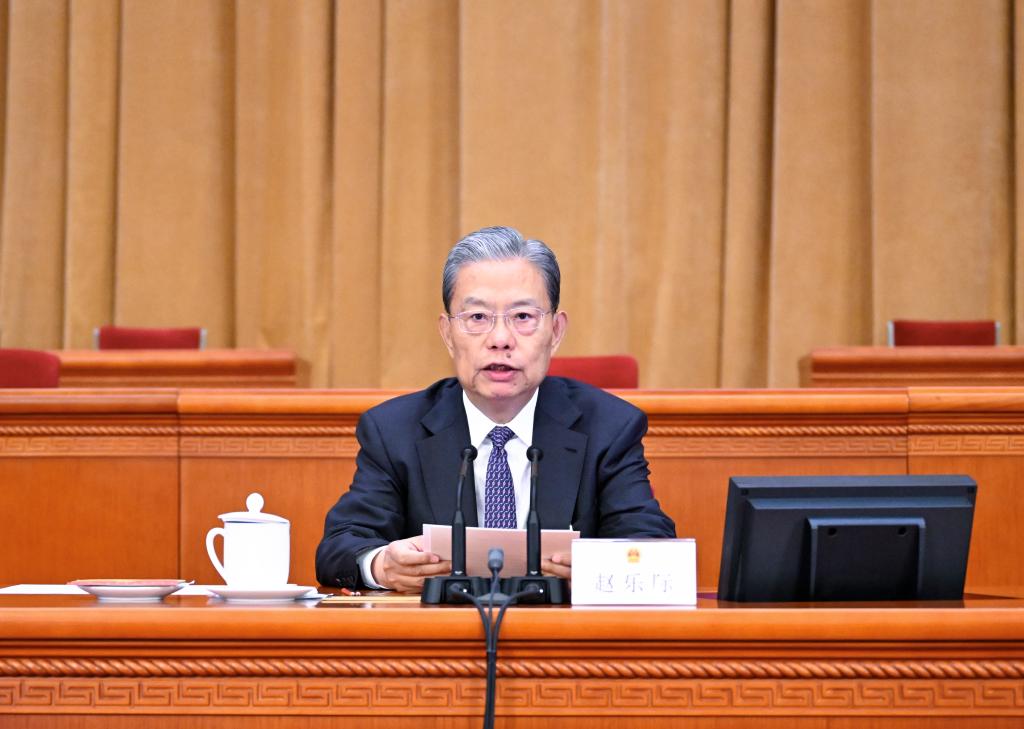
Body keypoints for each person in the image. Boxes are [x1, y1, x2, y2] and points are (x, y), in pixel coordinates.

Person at [315, 226, 675, 592]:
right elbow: (341, 546)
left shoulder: (609, 427)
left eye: (523, 317)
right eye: (477, 318)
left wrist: (598, 567)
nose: (500, 340)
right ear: (447, 334)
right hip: (443, 629)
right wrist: (380, 565)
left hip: (558, 627)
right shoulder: (394, 430)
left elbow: (650, 545)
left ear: (555, 332)